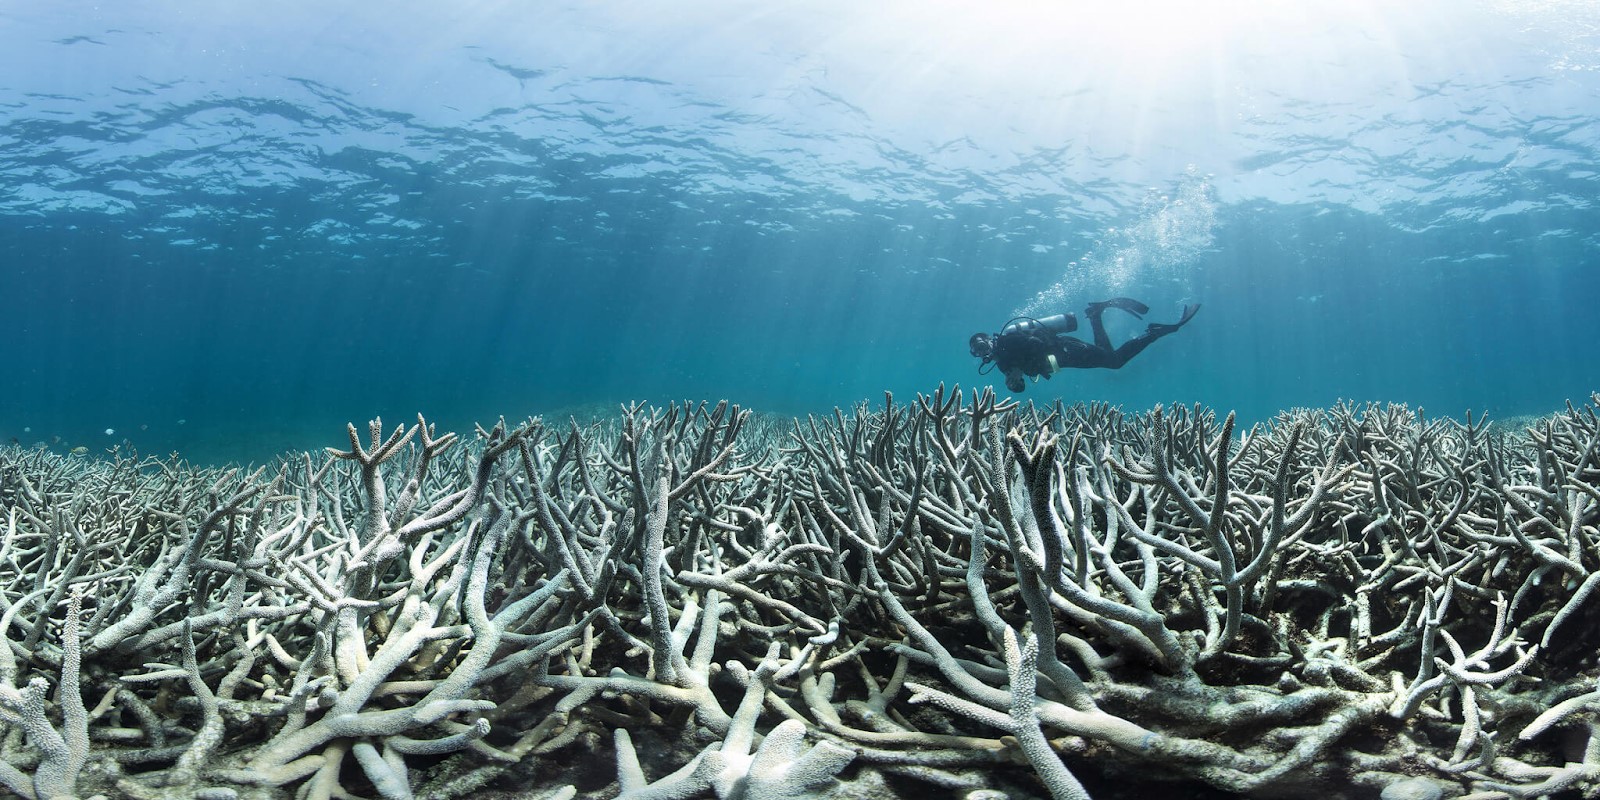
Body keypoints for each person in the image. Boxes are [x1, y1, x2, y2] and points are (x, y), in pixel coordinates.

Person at [969, 298, 1200, 393]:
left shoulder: (1008, 340)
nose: (982, 352)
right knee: (1110, 357)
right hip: (1064, 360)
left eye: (981, 345)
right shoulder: (1002, 364)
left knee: (1114, 361)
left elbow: (1037, 343)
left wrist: (1022, 366)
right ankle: (1095, 314)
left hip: (1067, 350)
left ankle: (1153, 333)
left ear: (989, 339)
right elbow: (1021, 386)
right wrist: (1015, 383)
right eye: (977, 351)